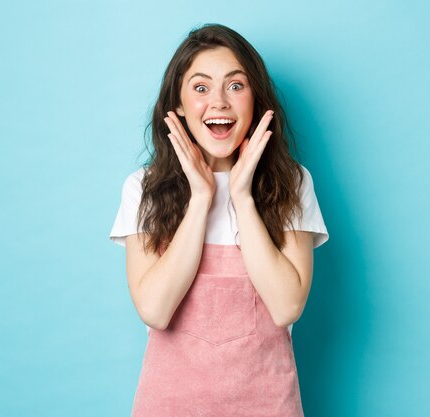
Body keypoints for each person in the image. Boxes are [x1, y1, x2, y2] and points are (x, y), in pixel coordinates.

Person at [109, 23, 329, 417]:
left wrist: (242, 197)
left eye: (235, 85)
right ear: (176, 104)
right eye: (200, 87)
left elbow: (286, 306)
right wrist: (202, 198)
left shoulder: (292, 183)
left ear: (256, 99)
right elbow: (155, 311)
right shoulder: (141, 188)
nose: (219, 102)